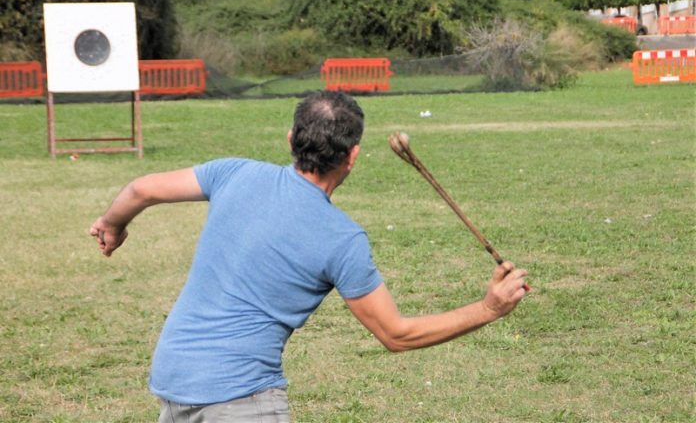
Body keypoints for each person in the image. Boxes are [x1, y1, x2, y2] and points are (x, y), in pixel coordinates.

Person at [90, 91, 529, 422]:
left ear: (290, 139)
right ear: (353, 157)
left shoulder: (234, 172)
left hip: (173, 376)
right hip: (240, 396)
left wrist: (113, 225)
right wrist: (489, 308)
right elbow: (397, 335)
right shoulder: (342, 239)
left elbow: (142, 189)